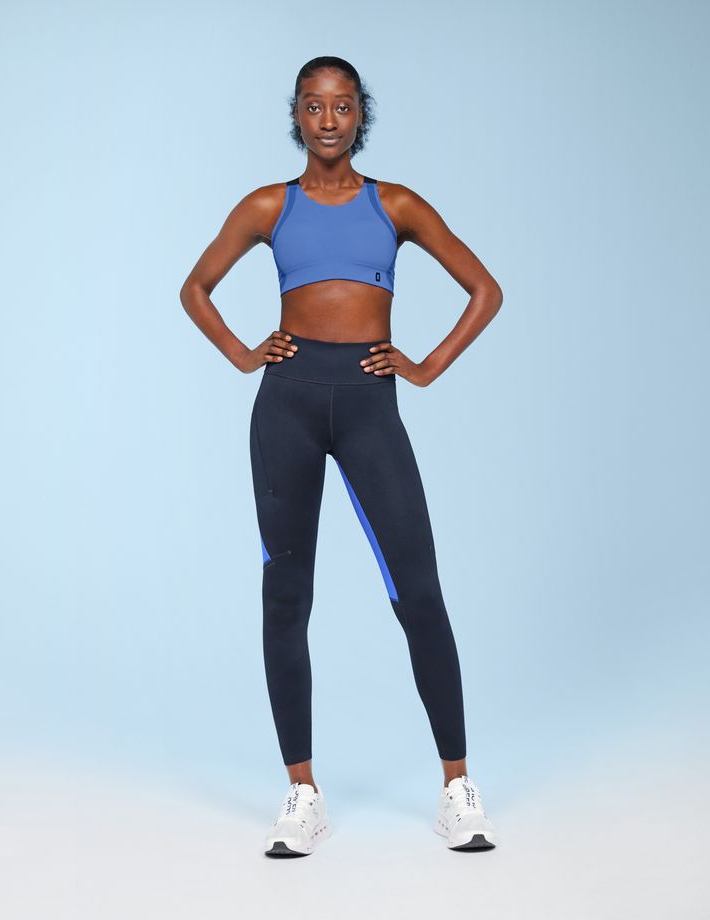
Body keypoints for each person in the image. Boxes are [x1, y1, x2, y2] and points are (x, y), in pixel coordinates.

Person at [179, 56, 503, 857]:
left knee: (417, 590)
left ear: (362, 115)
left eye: (344, 106)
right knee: (285, 595)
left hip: (368, 406)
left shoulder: (395, 205)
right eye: (315, 107)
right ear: (297, 114)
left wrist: (424, 366)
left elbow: (484, 289)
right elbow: (195, 287)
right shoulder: (267, 205)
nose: (329, 120)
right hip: (285, 405)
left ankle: (457, 787)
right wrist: (241, 353)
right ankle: (302, 794)